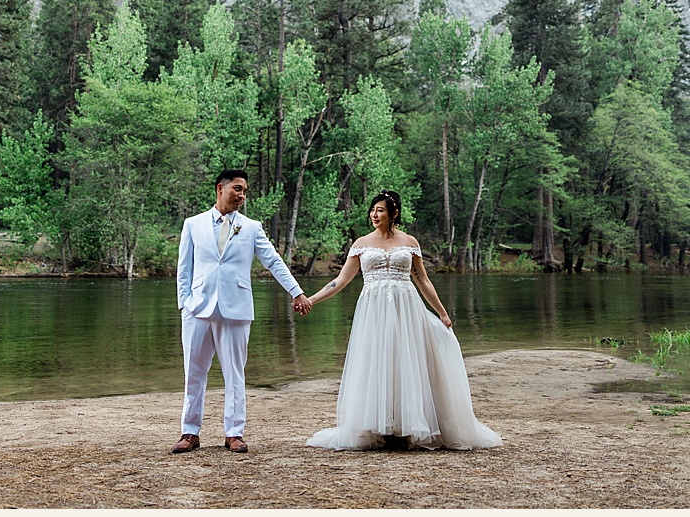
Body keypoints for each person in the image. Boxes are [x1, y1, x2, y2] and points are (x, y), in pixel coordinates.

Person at [301, 190, 501, 451]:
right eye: (372, 210)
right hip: (373, 312)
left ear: (393, 213)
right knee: (378, 363)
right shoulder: (362, 243)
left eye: (380, 210)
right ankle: (379, 426)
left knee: (406, 362)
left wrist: (442, 312)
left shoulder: (409, 242)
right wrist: (311, 300)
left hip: (407, 309)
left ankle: (406, 426)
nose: (374, 214)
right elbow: (340, 281)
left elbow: (423, 280)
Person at [170, 169, 311, 455]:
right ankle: (190, 432)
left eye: (245, 191)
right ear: (220, 189)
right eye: (237, 189)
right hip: (198, 309)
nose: (242, 195)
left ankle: (234, 433)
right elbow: (183, 270)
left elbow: (273, 261)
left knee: (235, 374)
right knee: (193, 373)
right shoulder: (193, 224)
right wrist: (184, 304)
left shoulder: (251, 227)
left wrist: (296, 291)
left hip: (236, 309)